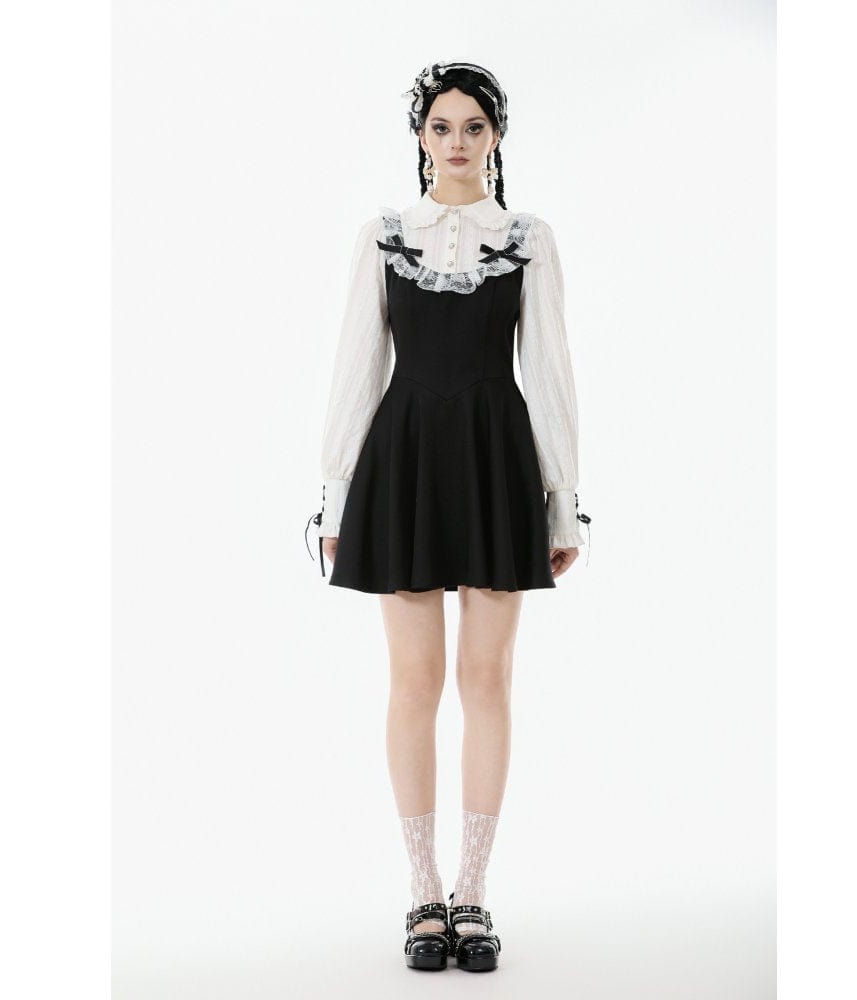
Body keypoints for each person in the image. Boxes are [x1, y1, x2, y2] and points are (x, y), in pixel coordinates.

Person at [304, 60, 591, 972]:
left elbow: (549, 373)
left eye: (473, 126)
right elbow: (357, 367)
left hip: (497, 458)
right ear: (421, 137)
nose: (456, 142)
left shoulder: (529, 240)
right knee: (414, 682)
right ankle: (423, 890)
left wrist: (563, 505)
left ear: (496, 136)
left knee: (488, 681)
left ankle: (473, 891)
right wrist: (336, 496)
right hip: (407, 460)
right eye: (441, 127)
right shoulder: (384, 237)